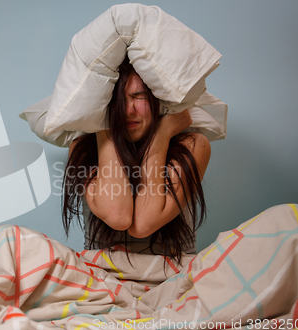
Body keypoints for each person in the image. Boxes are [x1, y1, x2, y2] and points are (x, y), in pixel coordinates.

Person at [62, 57, 211, 264]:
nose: (128, 110)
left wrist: (161, 135)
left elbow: (143, 223)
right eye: (117, 101)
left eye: (139, 96)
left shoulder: (194, 145)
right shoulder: (83, 148)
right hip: (103, 277)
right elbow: (118, 216)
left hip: (172, 276)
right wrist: (102, 125)